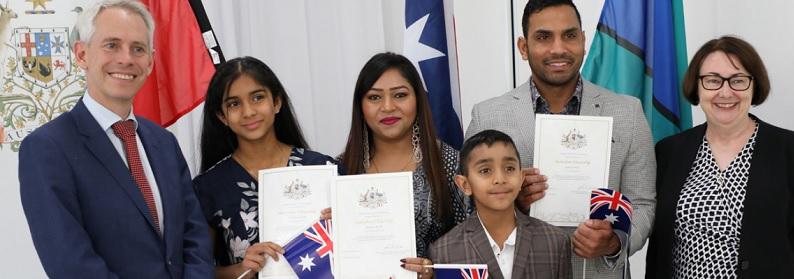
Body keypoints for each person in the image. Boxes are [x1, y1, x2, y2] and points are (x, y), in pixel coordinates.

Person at [18, 0, 213, 278]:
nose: (126, 59)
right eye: (111, 45)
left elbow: (195, 238)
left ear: (150, 61)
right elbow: (70, 264)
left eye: (138, 48)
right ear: (82, 54)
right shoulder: (47, 148)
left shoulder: (164, 142)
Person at [465, 0, 655, 277]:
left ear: (583, 41)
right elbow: (469, 205)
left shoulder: (628, 113)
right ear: (523, 47)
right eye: (543, 37)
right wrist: (511, 202)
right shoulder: (488, 116)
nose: (558, 48)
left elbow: (643, 204)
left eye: (569, 35)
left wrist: (615, 242)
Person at [645, 35, 794, 278]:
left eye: (738, 80)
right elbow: (659, 251)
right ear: (697, 86)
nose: (725, 92)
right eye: (713, 80)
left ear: (754, 85)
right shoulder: (669, 152)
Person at [192, 56, 342, 279]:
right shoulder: (207, 188)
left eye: (257, 98)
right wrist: (240, 269)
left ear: (277, 103)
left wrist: (347, 224)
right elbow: (197, 271)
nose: (248, 112)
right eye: (234, 104)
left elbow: (360, 253)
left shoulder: (323, 168)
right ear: (222, 116)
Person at [326, 52, 470, 278]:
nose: (387, 107)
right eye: (374, 97)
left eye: (400, 95)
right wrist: (327, 230)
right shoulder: (339, 170)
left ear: (418, 100)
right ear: (360, 106)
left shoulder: (450, 162)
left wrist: (434, 271)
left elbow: (472, 243)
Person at [430, 129, 572, 279]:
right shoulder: (443, 251)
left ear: (521, 177)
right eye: (485, 170)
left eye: (509, 168)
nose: (500, 179)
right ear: (465, 184)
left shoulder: (555, 242)